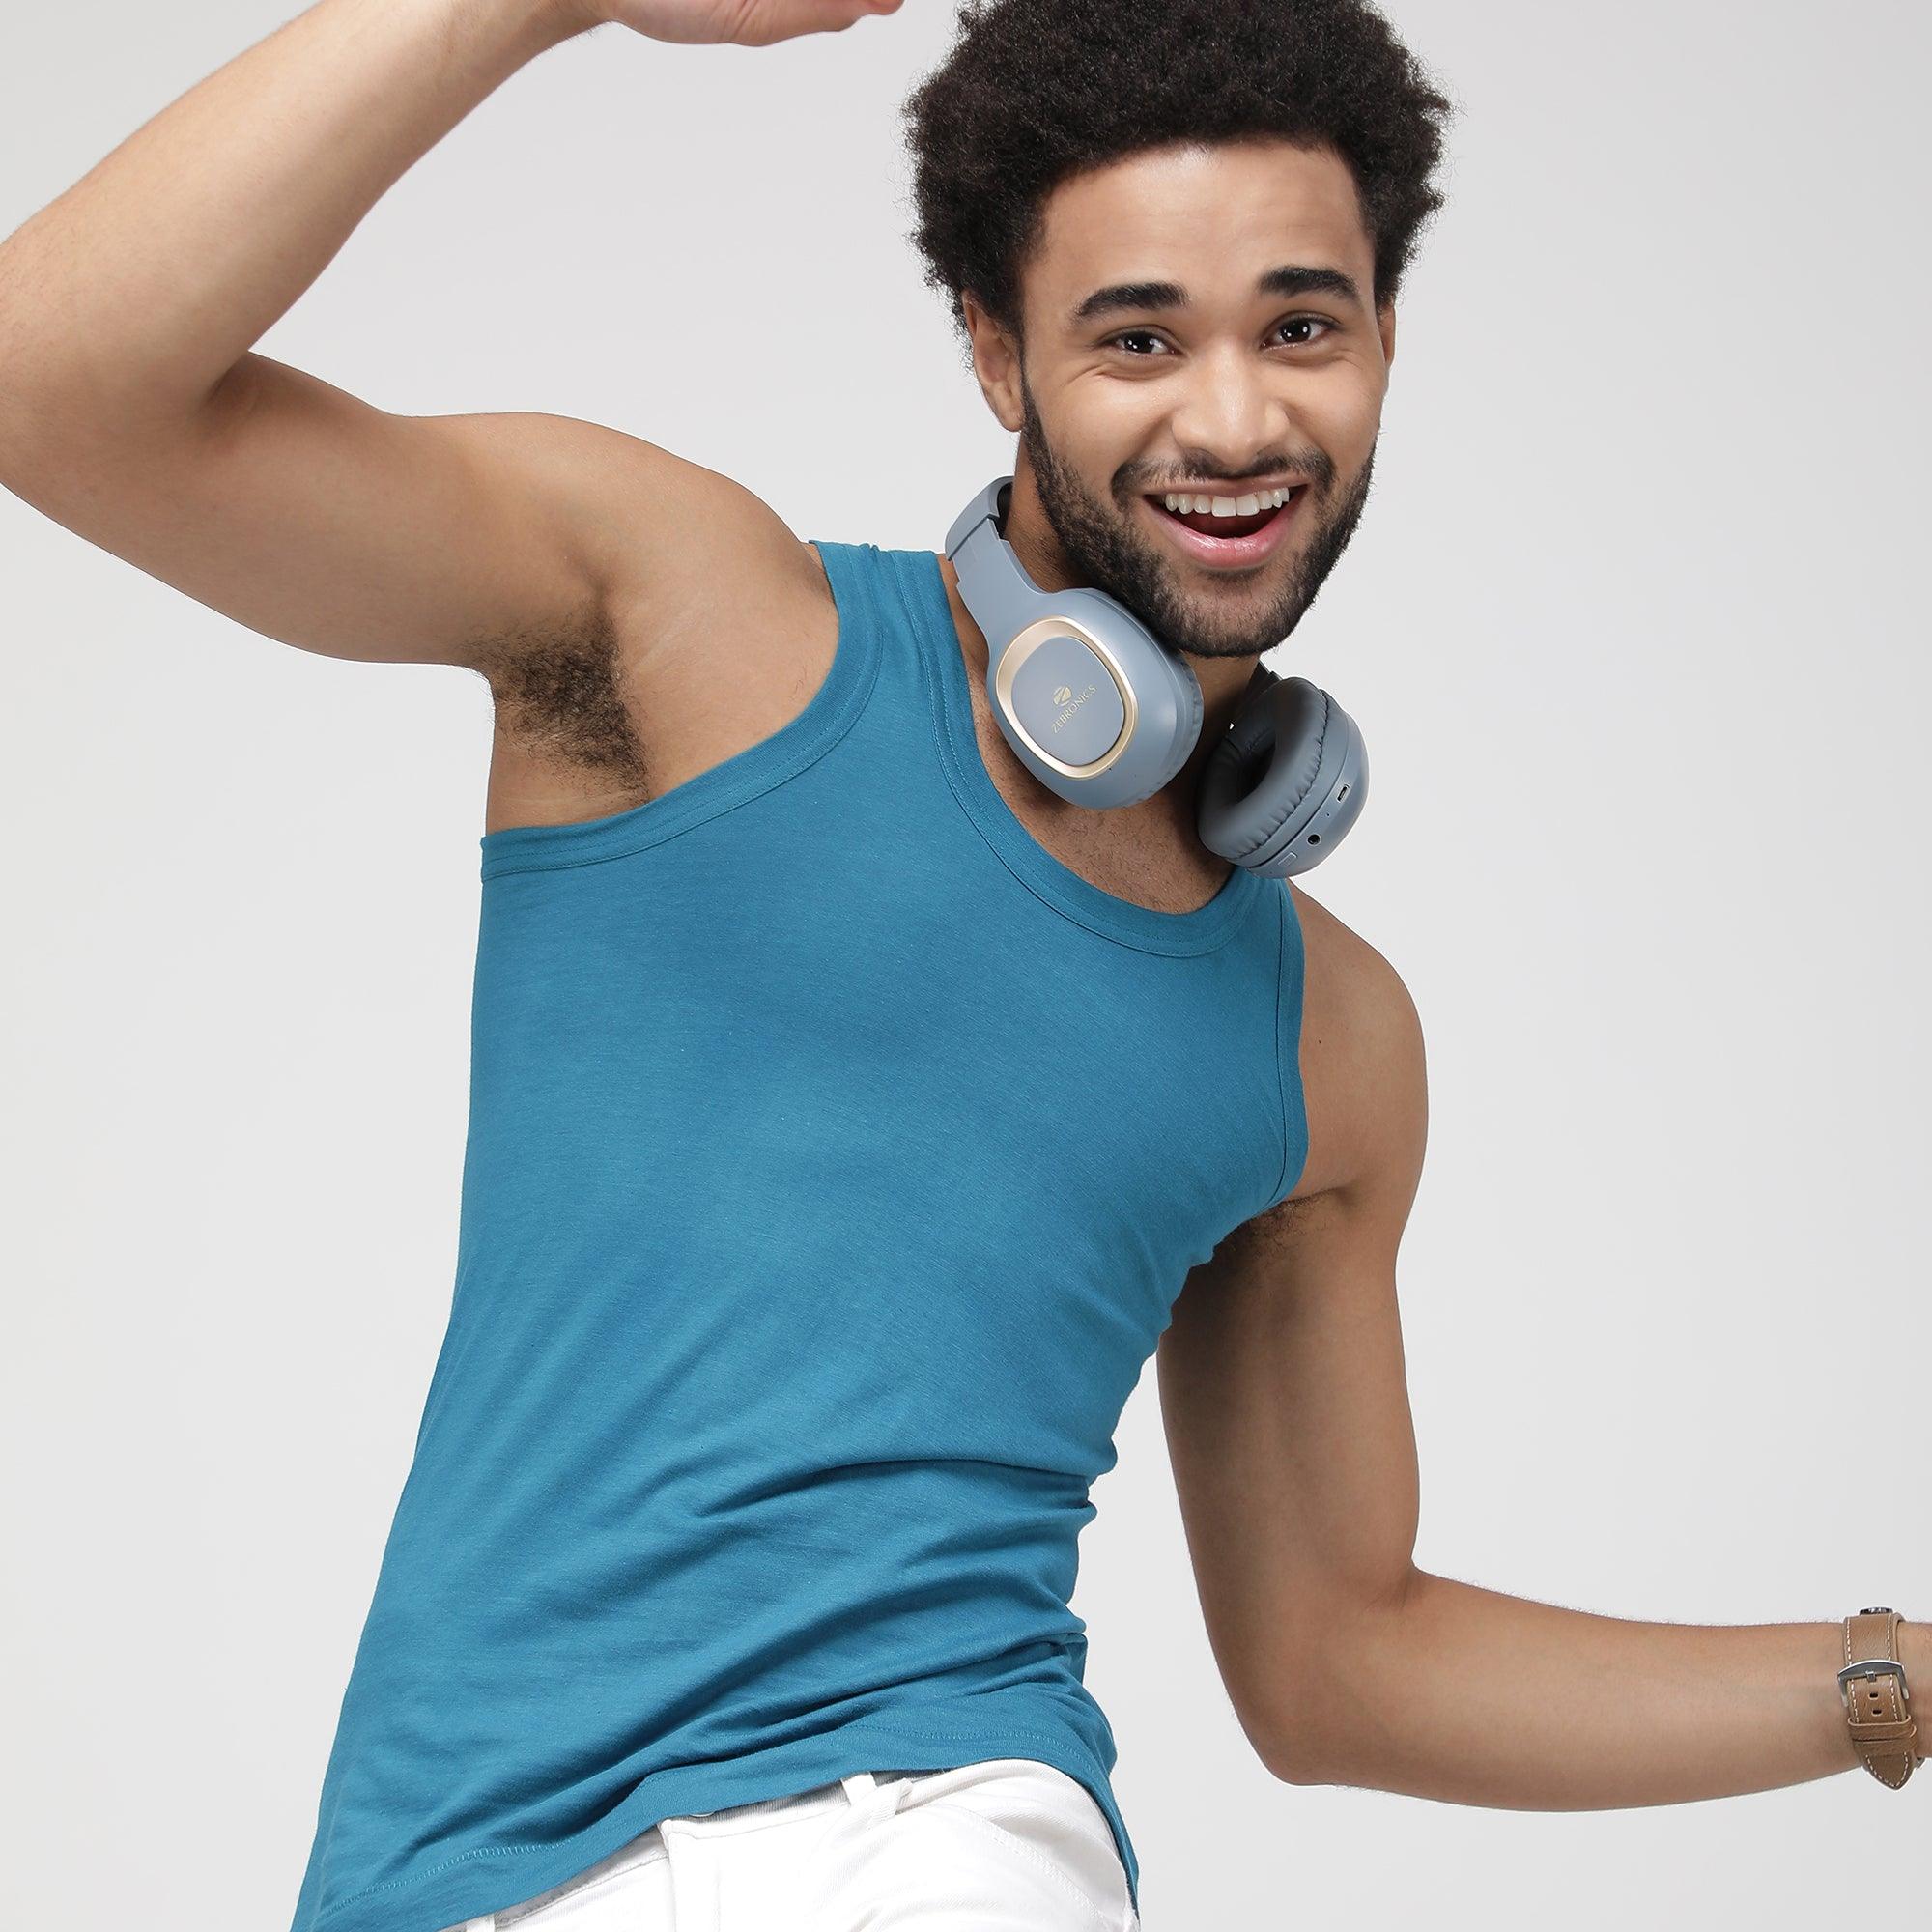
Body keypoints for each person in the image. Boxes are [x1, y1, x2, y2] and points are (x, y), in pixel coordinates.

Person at [0, 0, 1920, 1927]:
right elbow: (53, 383)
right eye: (1139, 337)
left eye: (1300, 327)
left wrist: (1892, 1679)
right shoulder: (685, 622)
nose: (1235, 422)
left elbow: (1343, 1658)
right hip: (464, 1875)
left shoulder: (1330, 1040)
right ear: (996, 350)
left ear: (1384, 342)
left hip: (940, 1833)